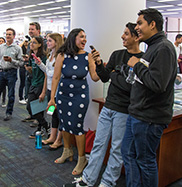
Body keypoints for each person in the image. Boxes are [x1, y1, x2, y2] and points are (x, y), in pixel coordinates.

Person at [65, 23, 143, 187]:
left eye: (126, 34)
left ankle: (107, 182)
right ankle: (88, 179)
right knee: (98, 145)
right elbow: (106, 77)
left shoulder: (142, 60)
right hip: (108, 107)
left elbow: (131, 87)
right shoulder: (117, 54)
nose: (122, 36)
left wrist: (115, 76)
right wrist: (99, 64)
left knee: (116, 149)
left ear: (136, 37)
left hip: (124, 110)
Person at [121, 8, 177, 187]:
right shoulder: (153, 47)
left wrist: (137, 66)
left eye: (140, 23)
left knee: (145, 161)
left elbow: (157, 84)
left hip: (149, 117)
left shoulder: (164, 48)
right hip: (137, 113)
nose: (137, 27)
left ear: (153, 24)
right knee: (128, 153)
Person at [48, 28, 99, 176]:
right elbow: (56, 77)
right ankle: (67, 151)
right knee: (64, 124)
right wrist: (52, 99)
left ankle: (82, 158)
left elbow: (95, 77)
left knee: (77, 126)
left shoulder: (88, 57)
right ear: (73, 38)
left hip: (79, 96)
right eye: (81, 37)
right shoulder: (62, 55)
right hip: (63, 95)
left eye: (85, 37)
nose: (84, 40)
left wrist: (99, 63)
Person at [40, 33, 64, 149]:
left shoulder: (60, 56)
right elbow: (48, 72)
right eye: (47, 41)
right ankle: (52, 137)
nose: (47, 43)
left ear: (56, 42)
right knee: (53, 113)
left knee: (60, 115)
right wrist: (40, 64)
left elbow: (55, 75)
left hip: (58, 90)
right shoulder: (50, 55)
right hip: (50, 89)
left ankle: (59, 139)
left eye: (50, 41)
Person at [24, 36, 49, 138]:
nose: (31, 44)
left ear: (40, 44)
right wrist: (26, 65)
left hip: (41, 84)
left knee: (38, 109)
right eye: (31, 42)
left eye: (34, 43)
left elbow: (46, 72)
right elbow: (31, 70)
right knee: (29, 107)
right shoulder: (31, 55)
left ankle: (41, 128)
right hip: (33, 83)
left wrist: (44, 91)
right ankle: (45, 125)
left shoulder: (43, 57)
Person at [22, 22, 44, 122]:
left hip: (39, 77)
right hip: (31, 74)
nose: (30, 31)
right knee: (29, 99)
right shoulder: (29, 43)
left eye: (32, 29)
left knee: (39, 99)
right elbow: (30, 56)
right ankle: (32, 115)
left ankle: (39, 119)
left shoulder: (43, 45)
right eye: (29, 29)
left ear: (38, 31)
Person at [18, 38, 29, 105]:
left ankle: (26, 97)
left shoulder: (29, 48)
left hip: (28, 66)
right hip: (22, 66)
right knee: (22, 83)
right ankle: (20, 97)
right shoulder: (21, 48)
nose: (26, 42)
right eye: (25, 41)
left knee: (27, 83)